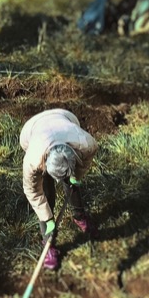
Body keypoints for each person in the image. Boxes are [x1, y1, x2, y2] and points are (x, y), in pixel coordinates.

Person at [19, 108, 99, 270]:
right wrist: (48, 218)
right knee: (47, 195)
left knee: (71, 184)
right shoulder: (33, 160)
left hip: (65, 118)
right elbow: (33, 192)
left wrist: (75, 177)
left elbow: (84, 164)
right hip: (31, 131)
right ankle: (49, 245)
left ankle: (79, 216)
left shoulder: (86, 144)